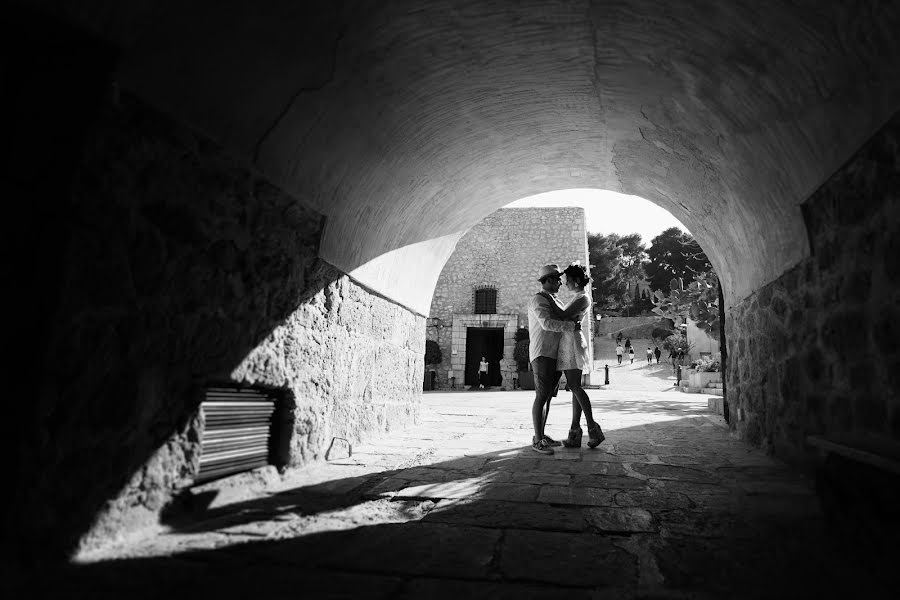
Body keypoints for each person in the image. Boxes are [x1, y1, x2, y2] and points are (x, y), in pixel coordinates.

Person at [528, 264, 579, 454]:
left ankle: (540, 435)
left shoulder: (552, 299)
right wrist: (571, 326)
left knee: (548, 396)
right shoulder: (538, 300)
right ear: (547, 281)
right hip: (542, 353)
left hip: (554, 353)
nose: (560, 283)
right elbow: (546, 323)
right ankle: (537, 440)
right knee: (542, 396)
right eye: (557, 279)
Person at [556, 262, 605, 449]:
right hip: (569, 340)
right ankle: (575, 432)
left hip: (573, 341)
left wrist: (547, 298)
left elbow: (562, 314)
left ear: (576, 281)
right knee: (573, 386)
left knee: (574, 385)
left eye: (567, 280)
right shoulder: (579, 296)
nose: (565, 284)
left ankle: (593, 428)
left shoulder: (583, 298)